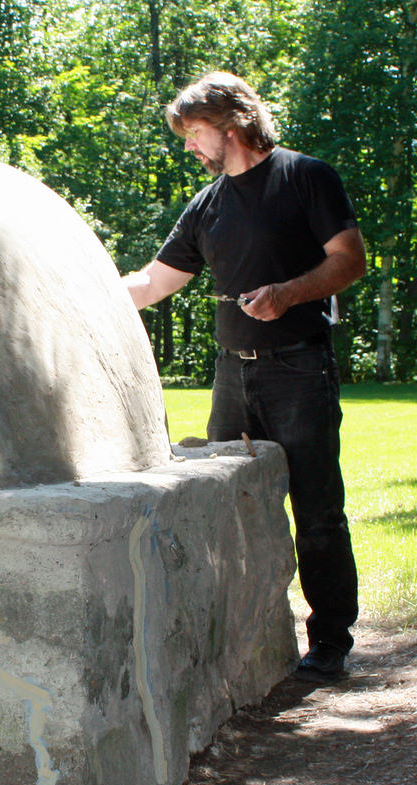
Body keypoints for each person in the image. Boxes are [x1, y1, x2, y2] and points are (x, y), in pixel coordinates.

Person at [123, 72, 366, 683]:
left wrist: (287, 294)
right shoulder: (206, 205)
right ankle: (245, 632)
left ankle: (331, 642)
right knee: (227, 504)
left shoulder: (305, 176)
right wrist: (81, 292)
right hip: (232, 377)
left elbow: (350, 260)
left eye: (194, 133)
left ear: (230, 125)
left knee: (317, 512)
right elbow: (152, 283)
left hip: (300, 370)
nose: (189, 147)